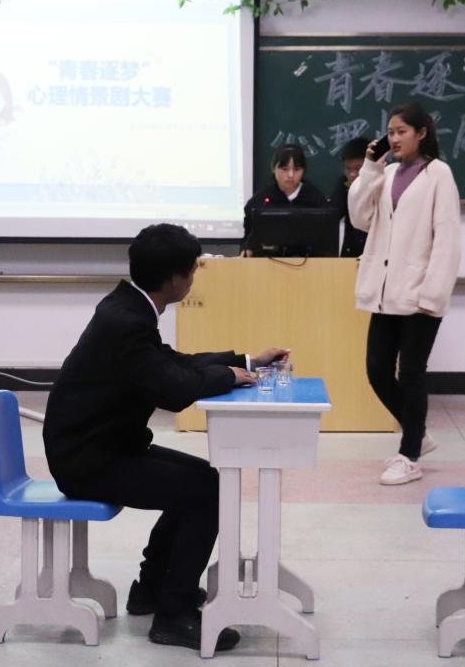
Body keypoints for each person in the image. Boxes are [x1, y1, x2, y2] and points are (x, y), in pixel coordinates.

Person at [42, 223, 290, 652]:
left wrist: (246, 361)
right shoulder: (127, 321)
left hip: (104, 446)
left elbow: (170, 363)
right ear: (175, 279)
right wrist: (228, 376)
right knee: (205, 492)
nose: (194, 276)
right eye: (192, 269)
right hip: (88, 461)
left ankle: (153, 589)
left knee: (207, 480)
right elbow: (173, 391)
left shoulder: (128, 308)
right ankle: (173, 615)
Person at [348, 102, 461, 485]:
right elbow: (359, 217)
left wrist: (432, 295)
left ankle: (409, 454)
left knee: (411, 373)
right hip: (386, 291)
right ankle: (418, 432)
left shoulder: (438, 174)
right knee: (377, 370)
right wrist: (370, 167)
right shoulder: (387, 173)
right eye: (390, 132)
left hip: (420, 294)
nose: (394, 138)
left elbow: (447, 238)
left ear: (421, 133)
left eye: (401, 131)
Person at [241, 143, 327, 253]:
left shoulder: (316, 200)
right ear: (273, 168)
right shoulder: (260, 201)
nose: (291, 175)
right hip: (267, 260)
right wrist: (247, 249)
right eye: (285, 169)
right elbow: (248, 240)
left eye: (297, 169)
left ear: (304, 170)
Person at [328, 137, 370, 257]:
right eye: (348, 168)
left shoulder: (383, 185)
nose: (352, 174)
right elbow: (332, 215)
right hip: (350, 254)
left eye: (358, 168)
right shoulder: (344, 185)